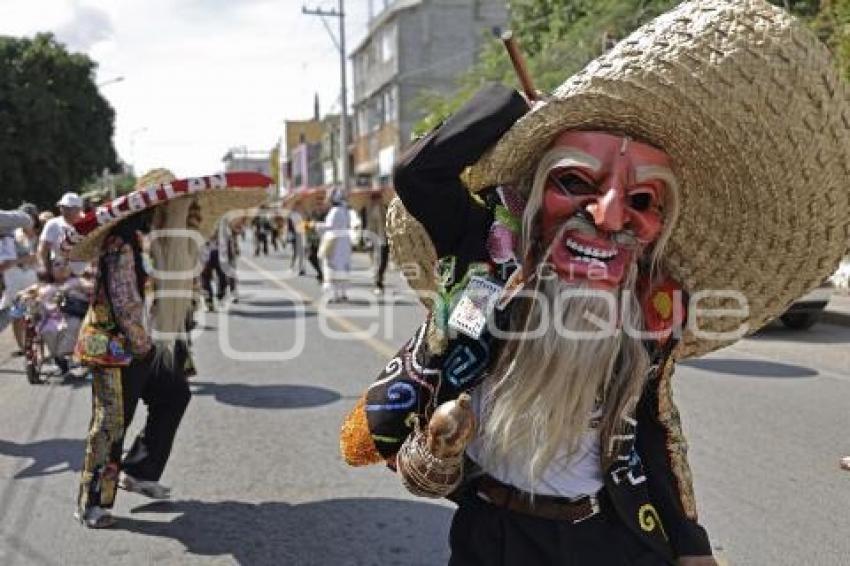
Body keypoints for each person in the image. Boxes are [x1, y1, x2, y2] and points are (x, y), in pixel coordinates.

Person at [340, 2, 850, 565]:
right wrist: (512, 111)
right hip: (494, 535)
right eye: (577, 182)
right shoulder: (484, 247)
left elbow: (655, 430)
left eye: (640, 200)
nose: (608, 215)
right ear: (535, 194)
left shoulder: (647, 304)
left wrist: (691, 547)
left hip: (608, 538)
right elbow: (419, 174)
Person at [64, 168, 269, 528]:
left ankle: (140, 469)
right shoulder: (123, 242)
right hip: (116, 346)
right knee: (112, 422)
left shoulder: (163, 241)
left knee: (174, 395)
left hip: (149, 345)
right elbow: (125, 303)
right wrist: (147, 345)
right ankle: (92, 501)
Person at [0, 206, 35, 335]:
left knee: (14, 308)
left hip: (19, 274)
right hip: (11, 274)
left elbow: (26, 219)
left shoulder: (4, 219)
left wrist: (29, 235)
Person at [39, 192, 86, 277]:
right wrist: (43, 267)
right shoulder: (52, 224)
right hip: (60, 272)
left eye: (69, 208)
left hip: (85, 271)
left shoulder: (87, 223)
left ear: (78, 209)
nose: (64, 211)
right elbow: (43, 250)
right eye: (63, 207)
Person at [318, 190, 352, 303]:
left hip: (333, 242)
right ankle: (342, 293)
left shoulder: (334, 211)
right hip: (344, 242)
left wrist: (314, 226)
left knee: (330, 267)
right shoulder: (345, 210)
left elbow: (329, 226)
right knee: (342, 268)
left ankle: (333, 294)